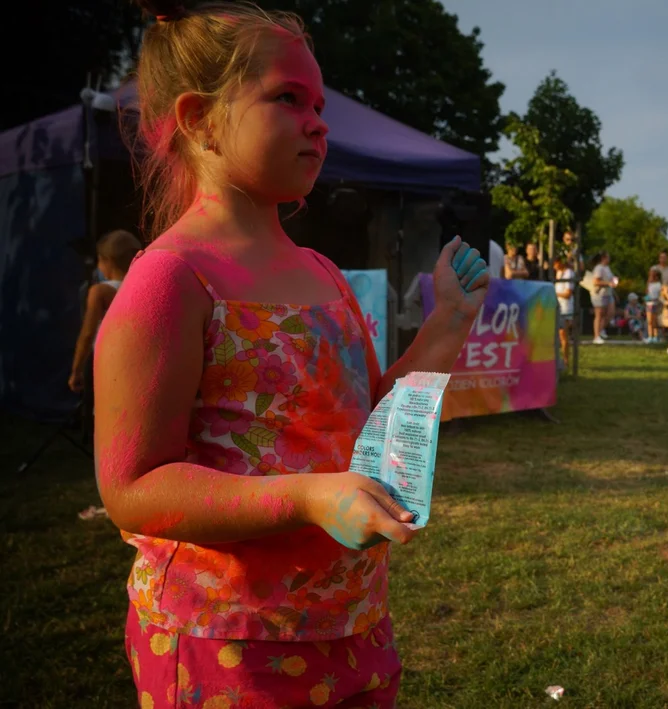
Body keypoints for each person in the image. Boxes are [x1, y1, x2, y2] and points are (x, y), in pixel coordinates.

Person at [92, 3, 491, 706]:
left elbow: (369, 426)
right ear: (198, 118)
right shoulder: (172, 279)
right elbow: (132, 484)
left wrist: (444, 330)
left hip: (353, 624)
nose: (319, 122)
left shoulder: (324, 275)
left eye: (319, 104)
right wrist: (306, 496)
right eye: (288, 98)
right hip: (226, 643)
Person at [69, 229, 143, 394]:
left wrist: (77, 369)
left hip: (107, 361)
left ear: (106, 261)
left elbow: (88, 333)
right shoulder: (144, 288)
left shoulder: (101, 292)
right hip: (138, 361)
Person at [590, 251, 616, 344]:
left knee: (610, 312)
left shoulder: (607, 268)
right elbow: (596, 282)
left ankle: (601, 329)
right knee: (599, 314)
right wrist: (608, 283)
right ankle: (596, 336)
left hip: (608, 293)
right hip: (599, 294)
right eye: (607, 257)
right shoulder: (599, 268)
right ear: (603, 258)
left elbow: (611, 279)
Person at [554, 257, 574, 369]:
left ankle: (566, 360)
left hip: (565, 307)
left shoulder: (569, 273)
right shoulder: (558, 273)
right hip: (557, 305)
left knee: (563, 334)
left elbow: (568, 294)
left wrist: (554, 293)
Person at [644, 268, 663, 344]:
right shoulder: (649, 284)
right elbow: (647, 292)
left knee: (654, 321)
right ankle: (650, 336)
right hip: (649, 304)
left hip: (655, 304)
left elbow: (660, 295)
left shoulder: (659, 285)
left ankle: (655, 337)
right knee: (649, 321)